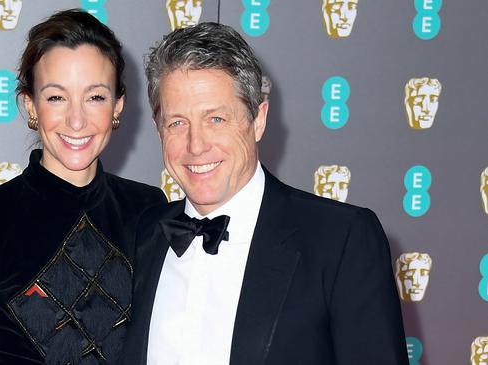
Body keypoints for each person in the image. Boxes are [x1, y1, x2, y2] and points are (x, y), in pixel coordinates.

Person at [122, 22, 409, 364]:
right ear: (158, 131)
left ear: (258, 119)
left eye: (216, 119)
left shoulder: (341, 239)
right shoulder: (143, 237)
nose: (196, 145)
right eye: (177, 123)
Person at [0, 9, 165, 365]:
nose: (76, 119)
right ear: (30, 105)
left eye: (95, 97)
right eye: (56, 97)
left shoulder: (147, 208)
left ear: (118, 105)